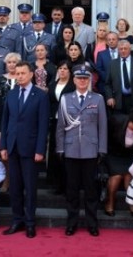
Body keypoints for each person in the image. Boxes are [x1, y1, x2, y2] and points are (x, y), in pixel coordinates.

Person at [0, 61, 50, 238]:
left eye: (23, 73)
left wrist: (40, 149)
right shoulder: (11, 94)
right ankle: (17, 220)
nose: (19, 76)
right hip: (12, 147)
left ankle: (30, 222)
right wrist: (3, 145)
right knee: (14, 187)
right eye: (17, 73)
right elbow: (5, 121)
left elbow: (43, 125)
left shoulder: (41, 96)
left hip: (30, 149)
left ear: (31, 75)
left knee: (30, 188)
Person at [56, 64, 107, 237]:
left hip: (91, 151)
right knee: (72, 190)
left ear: (90, 80)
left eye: (86, 78)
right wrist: (60, 148)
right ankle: (72, 223)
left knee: (91, 190)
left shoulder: (98, 99)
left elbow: (103, 126)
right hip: (70, 150)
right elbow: (61, 126)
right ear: (74, 80)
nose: (82, 81)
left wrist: (102, 149)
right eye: (79, 78)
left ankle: (92, 224)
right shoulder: (66, 99)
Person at [105, 108, 133, 217]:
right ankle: (110, 202)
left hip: (130, 156)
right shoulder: (116, 121)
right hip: (113, 154)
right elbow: (104, 136)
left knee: (129, 178)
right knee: (116, 177)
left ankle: (132, 204)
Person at [47, 61, 75, 194]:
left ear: (70, 71)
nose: (62, 71)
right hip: (55, 121)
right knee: (55, 152)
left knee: (67, 152)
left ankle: (68, 183)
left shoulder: (74, 85)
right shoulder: (52, 85)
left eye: (65, 68)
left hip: (69, 123)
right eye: (60, 68)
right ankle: (56, 183)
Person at [105, 39, 133, 114]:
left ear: (130, 49)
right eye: (121, 49)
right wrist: (109, 97)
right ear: (118, 50)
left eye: (125, 48)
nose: (123, 51)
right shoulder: (112, 64)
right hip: (118, 100)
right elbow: (107, 83)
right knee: (122, 124)